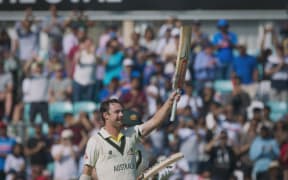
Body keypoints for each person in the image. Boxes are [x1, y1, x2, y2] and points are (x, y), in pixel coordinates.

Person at [80, 91, 180, 180]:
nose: (121, 115)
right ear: (106, 115)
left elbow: (154, 121)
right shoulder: (96, 141)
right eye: (117, 112)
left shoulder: (131, 133)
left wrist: (169, 102)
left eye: (122, 111)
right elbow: (87, 172)